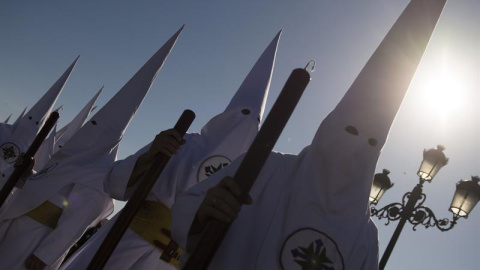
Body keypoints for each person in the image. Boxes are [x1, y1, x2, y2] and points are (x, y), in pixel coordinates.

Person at [171, 1, 447, 269]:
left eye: (372, 143)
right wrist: (206, 211)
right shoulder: (268, 167)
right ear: (327, 128)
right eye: (350, 130)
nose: (356, 147)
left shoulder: (364, 235)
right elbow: (187, 210)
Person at [60, 31, 281, 270]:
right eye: (239, 116)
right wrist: (149, 157)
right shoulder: (183, 143)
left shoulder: (249, 177)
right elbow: (114, 184)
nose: (242, 127)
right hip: (122, 243)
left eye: (252, 122)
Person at [0, 26, 183, 270]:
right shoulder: (66, 161)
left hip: (33, 240)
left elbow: (79, 217)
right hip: (13, 223)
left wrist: (46, 254)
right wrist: (27, 175)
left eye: (94, 127)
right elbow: (46, 188)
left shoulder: (98, 173)